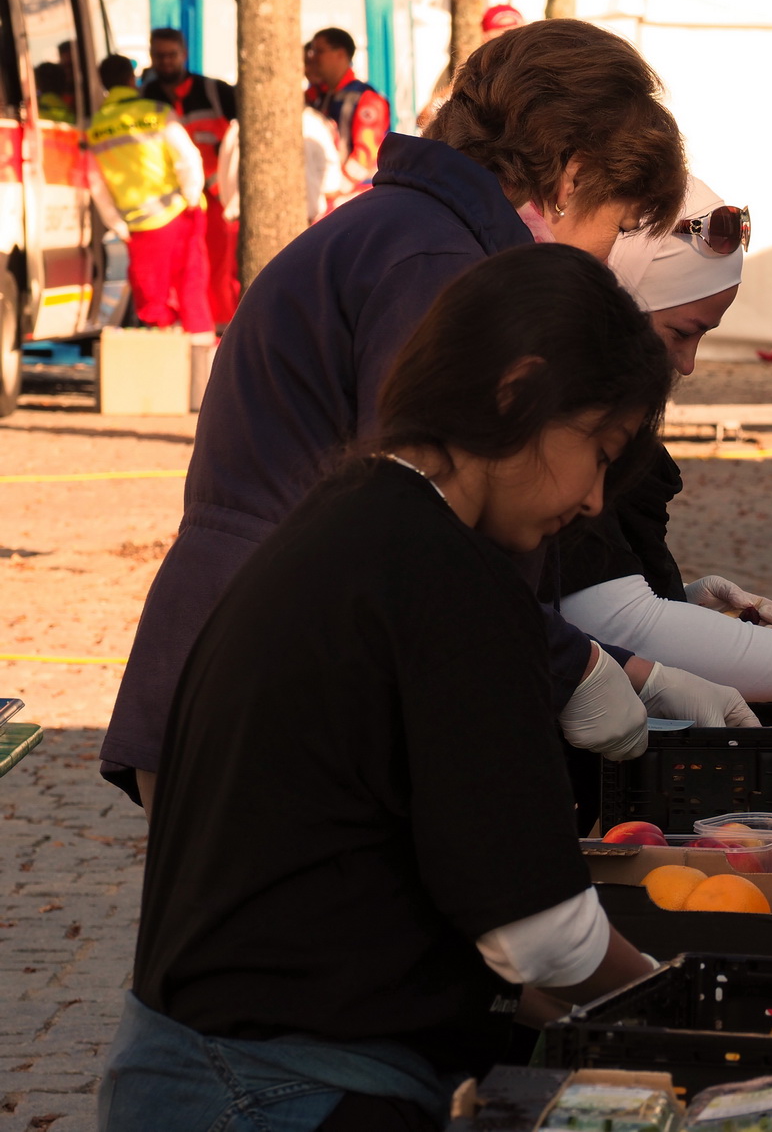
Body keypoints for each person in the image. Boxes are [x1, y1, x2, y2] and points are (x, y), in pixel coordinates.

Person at [99, 19, 746, 816]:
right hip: (276, 688)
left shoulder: (419, 233)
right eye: (615, 229)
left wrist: (625, 667)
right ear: (573, 177)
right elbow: (424, 525)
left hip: (281, 669)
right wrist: (574, 667)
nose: (608, 262)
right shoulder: (439, 264)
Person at [98, 244, 669, 1132]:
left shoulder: (349, 520)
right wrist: (688, 1005)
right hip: (278, 1086)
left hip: (203, 1066)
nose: (596, 499)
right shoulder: (450, 578)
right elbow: (540, 931)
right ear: (518, 392)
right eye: (599, 449)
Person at [559, 177, 772, 715]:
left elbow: (587, 591)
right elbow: (610, 616)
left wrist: (674, 594)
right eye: (682, 332)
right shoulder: (564, 413)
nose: (689, 364)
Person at [86, 55, 213, 349]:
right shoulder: (156, 111)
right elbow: (187, 157)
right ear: (132, 79)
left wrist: (117, 225)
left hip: (139, 227)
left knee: (153, 303)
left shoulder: (94, 127)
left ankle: (161, 369)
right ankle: (203, 373)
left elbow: (97, 185)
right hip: (180, 213)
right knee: (191, 289)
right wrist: (191, 196)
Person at [142, 27, 240, 325]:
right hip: (170, 203)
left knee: (220, 272)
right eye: (159, 56)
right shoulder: (145, 97)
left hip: (216, 200)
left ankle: (223, 331)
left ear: (184, 54)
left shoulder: (216, 92)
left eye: (172, 55)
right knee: (178, 273)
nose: (166, 61)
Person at [215, 106, 346, 229]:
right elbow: (331, 186)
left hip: (240, 226)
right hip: (299, 229)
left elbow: (223, 186)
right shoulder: (312, 124)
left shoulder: (237, 127)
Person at [305, 27, 391, 203]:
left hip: (358, 196)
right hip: (331, 194)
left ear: (340, 54)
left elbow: (366, 154)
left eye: (319, 51)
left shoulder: (366, 98)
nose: (312, 58)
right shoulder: (320, 96)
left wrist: (338, 189)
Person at [417, 4, 527, 129]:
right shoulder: (477, 73)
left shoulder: (534, 67)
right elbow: (426, 116)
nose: (511, 45)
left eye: (517, 34)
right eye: (502, 36)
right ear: (485, 38)